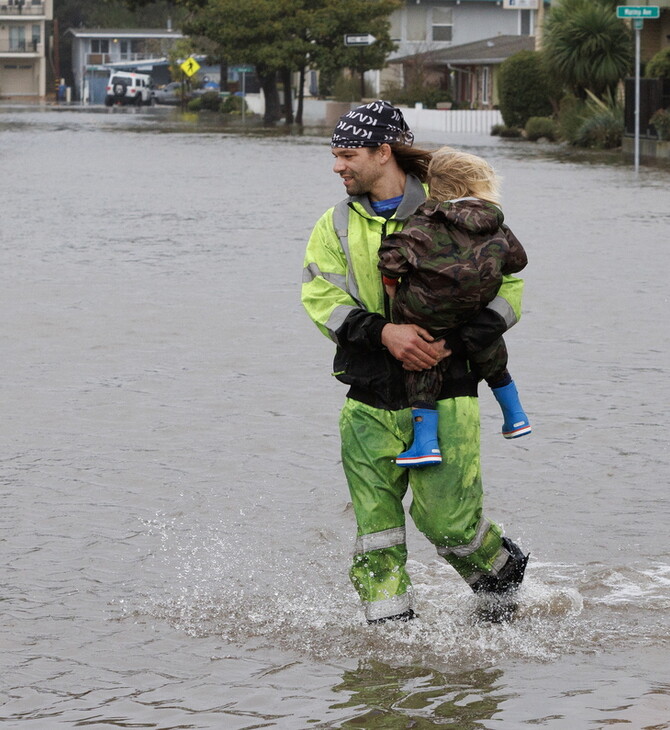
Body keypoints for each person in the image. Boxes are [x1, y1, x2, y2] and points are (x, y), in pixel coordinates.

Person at [301, 100, 529, 624]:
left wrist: (463, 339)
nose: (337, 165)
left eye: (347, 153)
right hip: (367, 396)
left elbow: (511, 287)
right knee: (376, 533)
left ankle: (502, 576)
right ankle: (388, 651)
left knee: (447, 523)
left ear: (383, 152)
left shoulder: (458, 208)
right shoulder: (332, 224)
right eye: (335, 154)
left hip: (447, 390)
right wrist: (385, 333)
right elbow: (320, 299)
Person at [378, 146, 531, 469]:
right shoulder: (497, 226)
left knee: (422, 366)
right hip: (474, 312)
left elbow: (392, 257)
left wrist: (392, 288)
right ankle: (515, 416)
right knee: (492, 354)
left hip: (427, 313)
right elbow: (518, 261)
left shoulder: (427, 224)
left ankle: (426, 443)